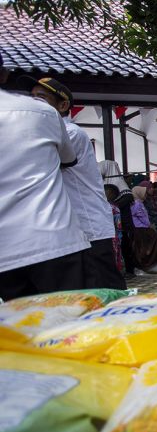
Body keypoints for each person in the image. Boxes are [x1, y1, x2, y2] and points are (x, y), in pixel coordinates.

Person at [20, 75, 126, 290]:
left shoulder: (70, 133)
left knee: (103, 292)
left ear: (63, 105)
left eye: (41, 98)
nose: (33, 104)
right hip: (70, 230)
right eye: (31, 98)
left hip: (88, 228)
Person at [0, 53, 90, 300]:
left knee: (19, 330)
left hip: (11, 247)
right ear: (5, 74)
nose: (36, 99)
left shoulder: (64, 125)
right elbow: (66, 158)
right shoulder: (41, 113)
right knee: (67, 323)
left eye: (42, 96)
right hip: (52, 236)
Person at [100, 159, 137, 278]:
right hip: (115, 225)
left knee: (125, 247)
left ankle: (130, 271)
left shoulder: (119, 184)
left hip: (123, 224)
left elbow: (126, 200)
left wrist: (111, 205)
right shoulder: (108, 182)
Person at [130, 186, 157, 271]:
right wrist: (149, 225)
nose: (145, 194)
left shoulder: (138, 202)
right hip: (141, 228)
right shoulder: (137, 204)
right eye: (144, 192)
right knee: (150, 242)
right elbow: (142, 217)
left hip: (141, 227)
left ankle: (145, 262)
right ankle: (146, 262)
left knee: (142, 246)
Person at [104, 184, 125, 275]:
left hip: (110, 237)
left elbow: (118, 226)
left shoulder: (112, 208)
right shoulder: (113, 208)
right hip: (111, 236)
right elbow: (119, 226)